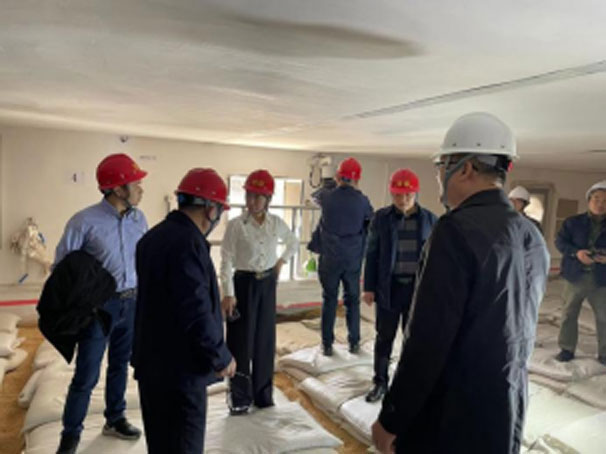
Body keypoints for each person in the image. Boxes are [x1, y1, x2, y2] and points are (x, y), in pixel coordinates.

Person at [371, 112, 550, 454]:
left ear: (464, 168)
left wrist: (392, 417)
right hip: (506, 407)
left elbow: (428, 340)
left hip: (453, 414)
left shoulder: (454, 230)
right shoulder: (531, 234)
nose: (439, 177)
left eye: (441, 166)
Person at [132, 168, 236, 453]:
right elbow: (195, 309)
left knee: (160, 444)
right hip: (181, 372)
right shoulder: (189, 244)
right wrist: (220, 355)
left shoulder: (150, 239)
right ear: (211, 210)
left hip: (152, 366)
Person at [54, 153, 148, 454]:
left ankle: (115, 419)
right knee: (87, 374)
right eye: (136, 183)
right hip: (99, 309)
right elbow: (62, 269)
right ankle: (70, 436)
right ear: (118, 189)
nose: (141, 188)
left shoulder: (139, 219)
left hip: (131, 302)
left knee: (120, 365)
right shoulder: (84, 221)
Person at [220, 169, 298, 414]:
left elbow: (293, 242)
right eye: (249, 195)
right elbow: (226, 260)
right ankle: (240, 398)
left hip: (267, 283)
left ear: (268, 199)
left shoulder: (276, 224)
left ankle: (263, 395)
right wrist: (228, 293)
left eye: (257, 196)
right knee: (241, 342)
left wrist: (281, 262)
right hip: (243, 284)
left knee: (265, 340)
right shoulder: (236, 225)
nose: (252, 201)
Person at [362, 169, 437, 402]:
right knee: (384, 337)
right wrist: (369, 287)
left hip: (417, 289)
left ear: (416, 193)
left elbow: (436, 259)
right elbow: (371, 253)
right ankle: (380, 382)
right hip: (389, 287)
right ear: (391, 193)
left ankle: (407, 384)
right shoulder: (381, 218)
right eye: (397, 195)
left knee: (412, 340)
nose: (402, 200)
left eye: (407, 195)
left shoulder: (430, 220)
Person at [308, 157, 373, 356]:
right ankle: (354, 343)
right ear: (357, 179)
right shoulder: (362, 201)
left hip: (330, 258)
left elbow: (314, 197)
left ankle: (327, 344)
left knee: (329, 299)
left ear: (338, 177)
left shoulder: (326, 197)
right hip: (352, 259)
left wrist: (330, 185)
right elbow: (370, 221)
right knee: (352, 301)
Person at [554, 180, 606, 365]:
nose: (600, 204)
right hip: (575, 276)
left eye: (605, 201)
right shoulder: (573, 222)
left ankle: (604, 353)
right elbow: (560, 242)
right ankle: (566, 349)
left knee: (604, 317)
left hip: (601, 280)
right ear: (589, 200)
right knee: (569, 313)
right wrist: (576, 253)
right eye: (596, 199)